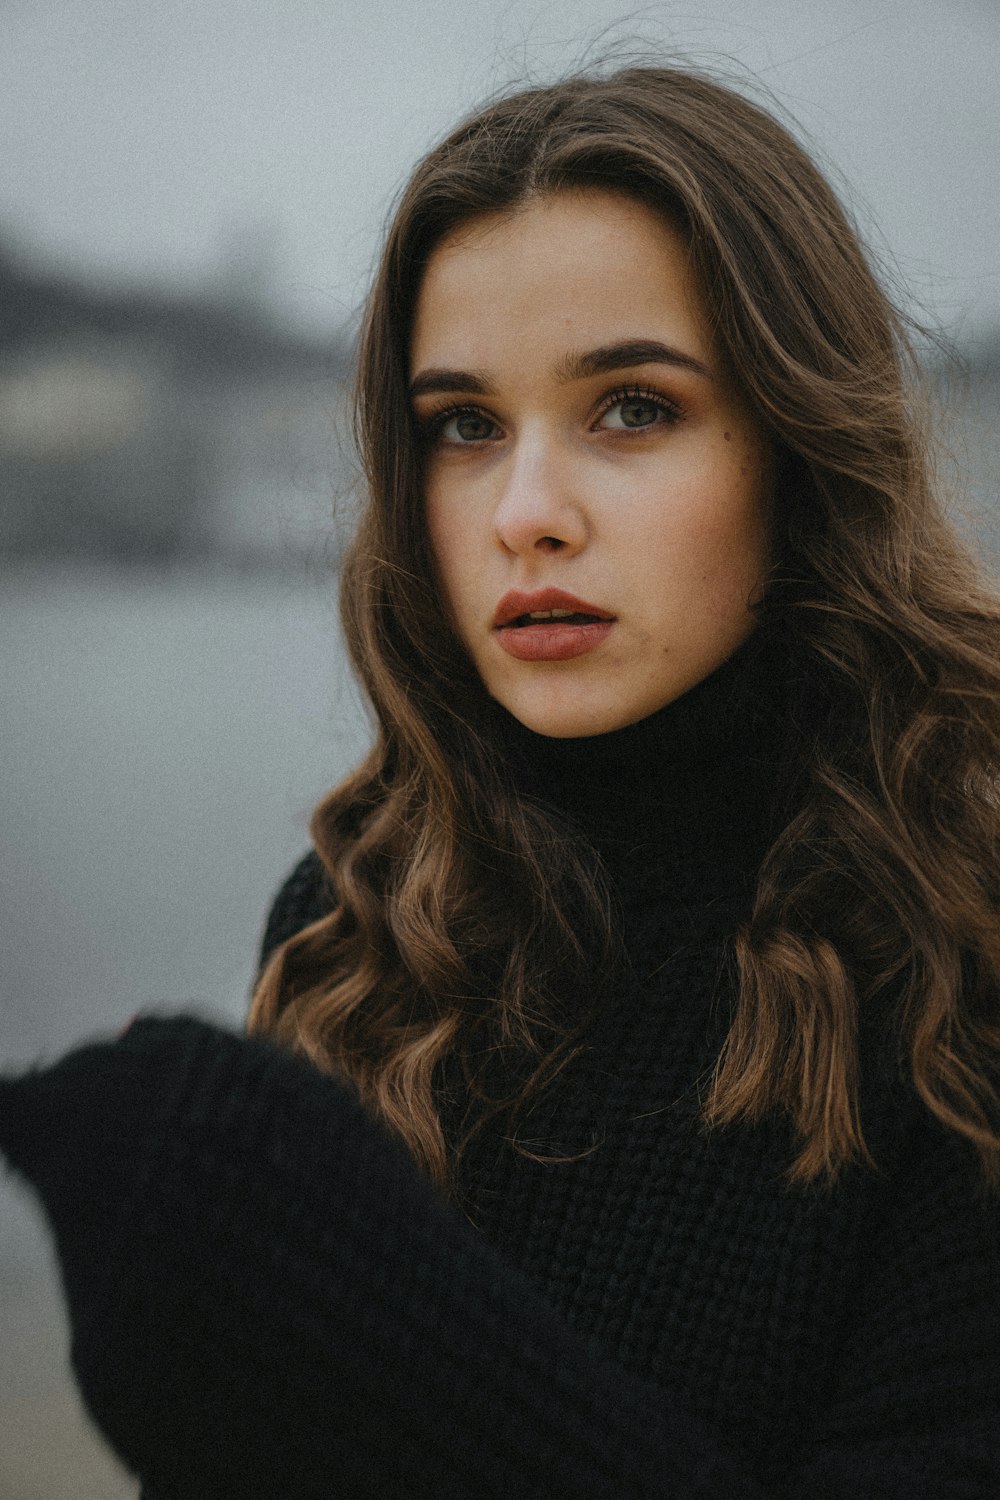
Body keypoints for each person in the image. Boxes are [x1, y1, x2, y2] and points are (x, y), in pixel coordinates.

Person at [1, 63, 999, 1499]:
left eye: (634, 409)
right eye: (463, 426)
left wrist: (384, 1342)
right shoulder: (360, 930)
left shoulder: (962, 962)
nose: (526, 514)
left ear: (797, 445)